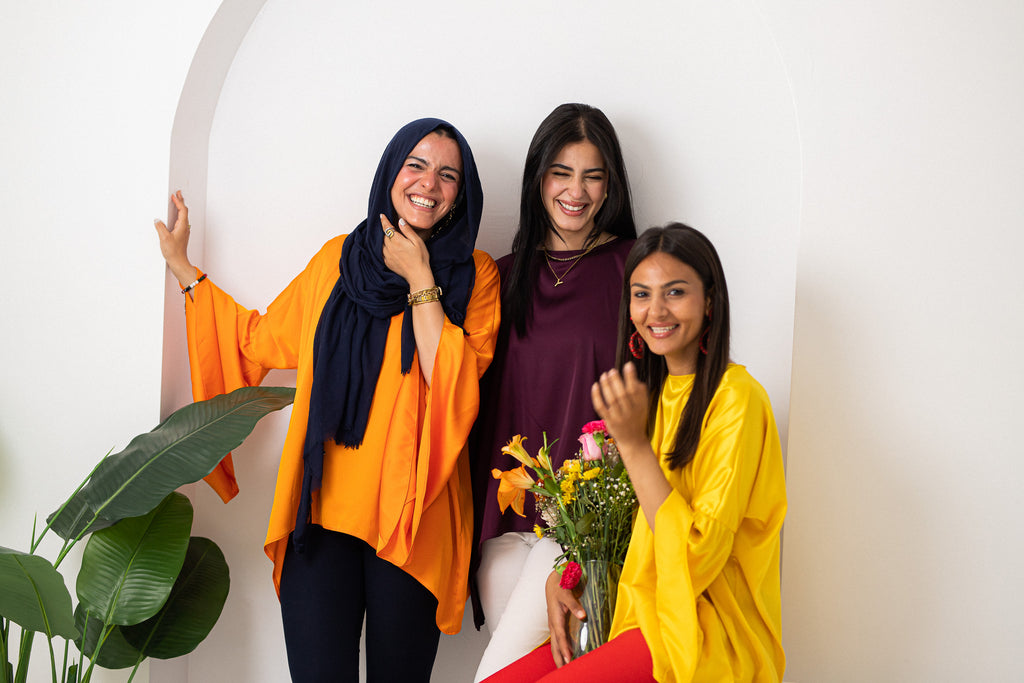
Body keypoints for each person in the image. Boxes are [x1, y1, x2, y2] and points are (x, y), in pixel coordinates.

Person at [153, 118, 501, 682]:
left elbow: (455, 385)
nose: (428, 185)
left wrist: (419, 277)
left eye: (447, 176)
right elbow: (258, 342)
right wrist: (185, 271)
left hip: (413, 521)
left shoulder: (474, 275)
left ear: (462, 194)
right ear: (391, 171)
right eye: (415, 165)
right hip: (320, 512)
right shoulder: (336, 262)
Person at [484, 224, 787, 682]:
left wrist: (633, 445)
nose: (656, 310)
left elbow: (695, 558)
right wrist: (566, 577)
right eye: (642, 294)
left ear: (710, 302)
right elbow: (617, 530)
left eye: (676, 292)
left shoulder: (737, 400)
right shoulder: (648, 396)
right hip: (630, 613)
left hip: (699, 635)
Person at [471, 103, 637, 681]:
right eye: (561, 173)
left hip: (585, 535)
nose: (577, 191)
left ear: (611, 184)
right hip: (504, 527)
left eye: (593, 175)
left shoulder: (633, 272)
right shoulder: (500, 275)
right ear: (538, 178)